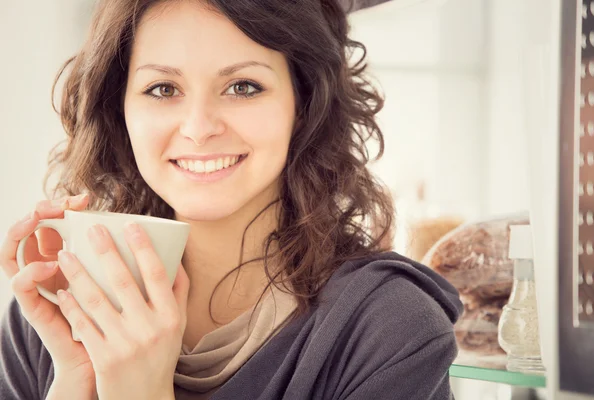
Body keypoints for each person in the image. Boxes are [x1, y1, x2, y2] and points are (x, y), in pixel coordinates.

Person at [0, 0, 463, 399]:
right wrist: (72, 384)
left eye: (243, 87)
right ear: (120, 111)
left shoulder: (388, 328)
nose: (199, 127)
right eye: (163, 89)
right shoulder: (50, 323)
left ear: (304, 106)